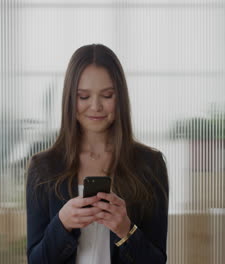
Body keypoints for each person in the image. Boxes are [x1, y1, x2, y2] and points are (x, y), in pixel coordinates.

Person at [26, 43, 169, 264]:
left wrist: (126, 231)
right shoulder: (43, 168)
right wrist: (62, 223)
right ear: (70, 99)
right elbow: (36, 260)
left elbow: (156, 260)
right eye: (83, 96)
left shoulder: (150, 165)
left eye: (107, 95)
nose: (95, 106)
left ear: (119, 97)